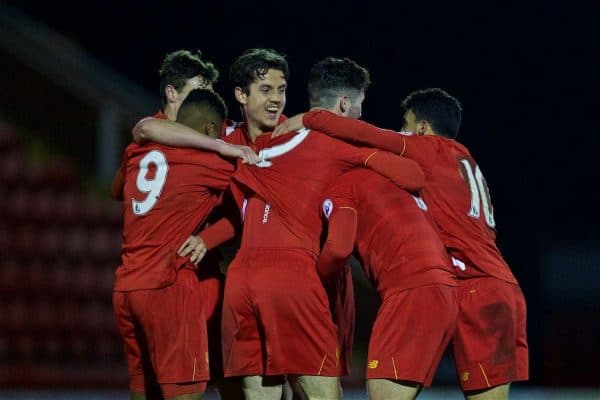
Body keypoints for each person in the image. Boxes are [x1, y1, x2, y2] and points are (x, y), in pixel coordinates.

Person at [137, 48, 425, 400]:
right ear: (241, 95)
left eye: (281, 90)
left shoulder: (298, 130)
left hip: (286, 275)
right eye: (265, 90)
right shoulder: (236, 143)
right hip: (287, 275)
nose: (275, 99)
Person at [275, 88, 528, 400]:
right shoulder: (464, 160)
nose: (400, 133)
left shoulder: (430, 149)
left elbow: (365, 133)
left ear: (421, 128)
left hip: (471, 285)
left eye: (404, 125)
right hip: (502, 286)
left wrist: (311, 118)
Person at [113, 89, 241, 400]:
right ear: (212, 129)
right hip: (169, 287)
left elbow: (116, 189)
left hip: (127, 287)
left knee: (144, 390)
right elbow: (250, 207)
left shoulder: (136, 153)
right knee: (186, 392)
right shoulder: (210, 160)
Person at [111, 49, 259, 201]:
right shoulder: (145, 140)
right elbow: (117, 191)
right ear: (172, 93)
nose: (206, 101)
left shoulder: (216, 127)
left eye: (210, 95)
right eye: (199, 92)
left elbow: (259, 133)